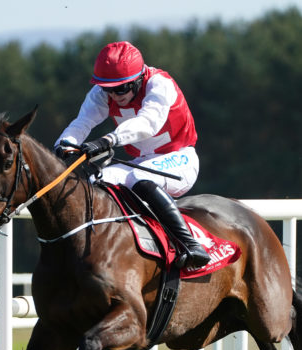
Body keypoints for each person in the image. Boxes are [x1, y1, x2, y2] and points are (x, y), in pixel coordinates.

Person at [54, 41, 210, 269]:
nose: (114, 95)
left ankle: (190, 244)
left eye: (121, 88)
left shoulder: (159, 84)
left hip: (181, 159)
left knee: (139, 178)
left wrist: (108, 140)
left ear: (138, 79)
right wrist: (64, 144)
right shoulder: (103, 92)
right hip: (141, 162)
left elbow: (147, 123)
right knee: (97, 181)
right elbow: (82, 122)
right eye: (108, 89)